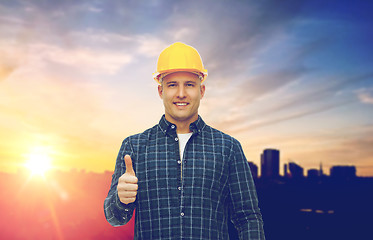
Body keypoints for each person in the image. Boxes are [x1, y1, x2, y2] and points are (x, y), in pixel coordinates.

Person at [104, 42, 265, 239]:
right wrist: (122, 199)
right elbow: (113, 218)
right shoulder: (134, 147)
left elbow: (248, 217)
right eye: (172, 85)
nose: (181, 93)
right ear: (161, 91)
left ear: (202, 90)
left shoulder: (228, 148)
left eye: (189, 84)